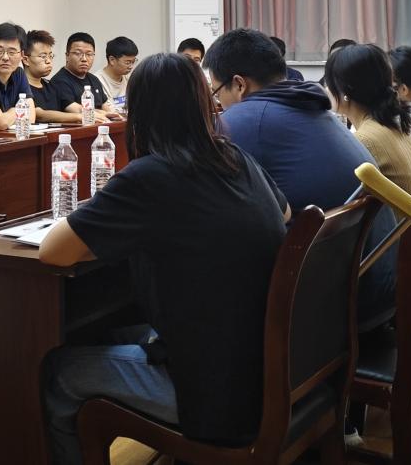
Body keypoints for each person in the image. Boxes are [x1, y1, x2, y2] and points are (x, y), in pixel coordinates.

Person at [39, 53, 288, 464]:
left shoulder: (150, 175)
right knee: (113, 334)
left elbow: (53, 251)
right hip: (265, 370)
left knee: (57, 371)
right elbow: (286, 213)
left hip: (216, 398)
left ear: (139, 113)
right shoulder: (235, 157)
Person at [204, 28, 396, 329]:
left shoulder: (243, 121)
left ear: (239, 84)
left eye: (216, 93)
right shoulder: (312, 107)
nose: (218, 104)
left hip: (334, 313)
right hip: (379, 290)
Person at [322, 45, 411, 198]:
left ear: (345, 91)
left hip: (400, 214)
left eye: (329, 82)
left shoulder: (364, 140)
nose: (326, 89)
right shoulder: (391, 124)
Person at [50, 33, 119, 123]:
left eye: (89, 54)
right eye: (78, 53)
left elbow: (107, 109)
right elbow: (77, 110)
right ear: (67, 56)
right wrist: (104, 114)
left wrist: (112, 115)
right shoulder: (59, 81)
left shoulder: (94, 79)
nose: (84, 59)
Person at [23, 30, 78, 125]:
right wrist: (78, 116)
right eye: (43, 56)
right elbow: (40, 115)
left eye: (50, 56)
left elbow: (73, 107)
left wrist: (99, 114)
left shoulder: (52, 86)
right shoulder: (20, 87)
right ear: (26, 60)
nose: (48, 61)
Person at [94, 35, 137, 109]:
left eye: (133, 62)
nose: (131, 66)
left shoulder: (128, 77)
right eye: (127, 62)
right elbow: (109, 111)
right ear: (112, 60)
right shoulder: (97, 81)